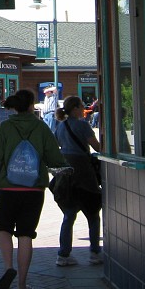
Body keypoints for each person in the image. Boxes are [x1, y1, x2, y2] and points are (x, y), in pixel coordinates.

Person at [0, 89, 68, 289]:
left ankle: (7, 267)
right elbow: (54, 158)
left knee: (2, 228)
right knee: (26, 234)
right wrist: (65, 166)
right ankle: (22, 284)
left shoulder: (4, 128)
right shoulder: (41, 128)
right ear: (31, 106)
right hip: (34, 190)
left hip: (8, 188)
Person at [52, 95, 103, 266]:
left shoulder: (61, 126)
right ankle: (95, 253)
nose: (83, 109)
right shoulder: (82, 125)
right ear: (74, 109)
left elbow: (56, 145)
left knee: (68, 215)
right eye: (81, 106)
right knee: (93, 214)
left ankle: (63, 255)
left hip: (66, 176)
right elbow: (96, 146)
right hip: (84, 174)